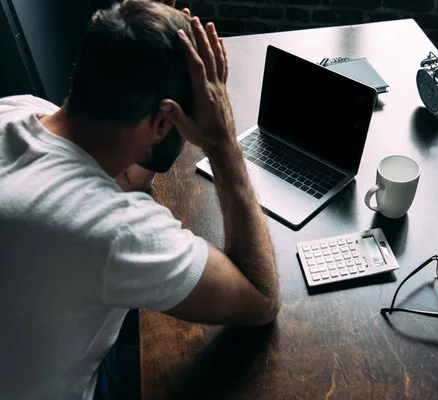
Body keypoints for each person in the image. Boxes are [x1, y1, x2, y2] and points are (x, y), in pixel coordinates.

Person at [0, 0, 280, 399]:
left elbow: (124, 179)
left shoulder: (17, 110)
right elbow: (260, 299)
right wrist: (221, 144)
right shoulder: (114, 229)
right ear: (165, 120)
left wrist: (146, 38)